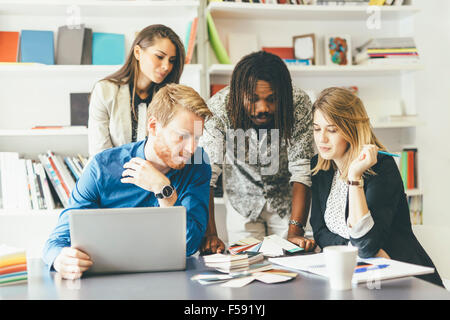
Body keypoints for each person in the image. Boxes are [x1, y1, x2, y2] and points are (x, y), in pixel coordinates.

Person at [43, 84, 212, 280]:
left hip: (170, 282)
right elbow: (56, 241)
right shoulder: (102, 168)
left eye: (197, 138)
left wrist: (164, 191)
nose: (191, 148)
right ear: (153, 126)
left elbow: (189, 245)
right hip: (107, 282)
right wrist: (61, 259)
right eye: (182, 136)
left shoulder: (198, 165)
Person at [309, 87, 443, 287]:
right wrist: (350, 248)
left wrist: (355, 178)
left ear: (351, 129)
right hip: (356, 273)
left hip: (401, 277)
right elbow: (319, 230)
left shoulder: (380, 167)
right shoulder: (321, 167)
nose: (322, 139)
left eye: (332, 129)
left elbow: (367, 244)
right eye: (317, 129)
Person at [200, 51, 316, 254]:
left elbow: (301, 170)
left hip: (287, 201)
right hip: (242, 203)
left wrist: (295, 231)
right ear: (238, 95)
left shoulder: (298, 103)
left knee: (291, 267)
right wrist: (210, 234)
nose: (263, 108)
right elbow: (207, 175)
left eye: (272, 99)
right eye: (252, 99)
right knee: (246, 269)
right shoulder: (217, 109)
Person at [88, 24, 185, 157]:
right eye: (160, 57)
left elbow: (173, 151)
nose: (166, 66)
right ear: (138, 52)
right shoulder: (104, 91)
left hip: (156, 175)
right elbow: (100, 154)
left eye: (172, 60)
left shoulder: (173, 99)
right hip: (110, 174)